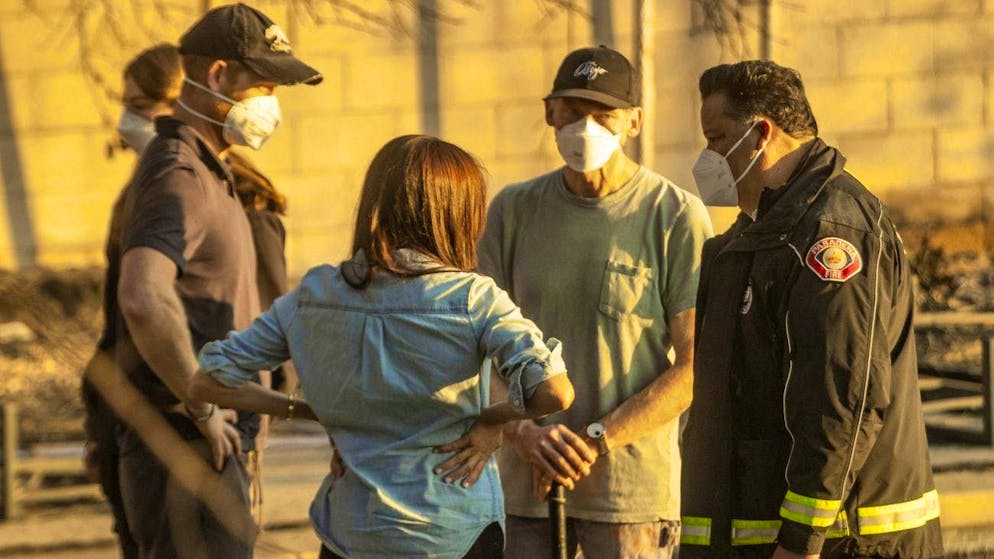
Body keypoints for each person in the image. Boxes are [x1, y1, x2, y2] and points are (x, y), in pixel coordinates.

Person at [188, 134, 576, 559]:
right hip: (451, 532)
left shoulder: (315, 292)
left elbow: (209, 381)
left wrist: (306, 410)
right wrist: (492, 420)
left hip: (350, 532)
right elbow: (554, 391)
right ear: (457, 214)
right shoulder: (473, 299)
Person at [680, 60, 943, 559]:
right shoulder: (751, 240)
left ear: (760, 133)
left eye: (715, 140)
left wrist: (801, 540)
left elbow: (841, 398)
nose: (707, 157)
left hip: (842, 543)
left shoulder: (833, 236)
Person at [477, 45, 713, 558]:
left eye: (603, 115)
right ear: (549, 112)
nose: (587, 128)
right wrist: (522, 433)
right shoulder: (512, 212)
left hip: (630, 495)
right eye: (573, 112)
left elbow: (695, 365)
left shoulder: (673, 216)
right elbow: (477, 350)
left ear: (634, 122)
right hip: (524, 489)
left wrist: (595, 439)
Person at [113, 4, 321, 557]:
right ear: (218, 76)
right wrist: (203, 405)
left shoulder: (210, 169)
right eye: (266, 87)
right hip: (186, 450)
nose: (272, 105)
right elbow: (142, 295)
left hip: (215, 446)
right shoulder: (180, 172)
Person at [80, 42, 181, 559]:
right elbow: (115, 321)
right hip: (128, 418)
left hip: (179, 425)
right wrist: (99, 423)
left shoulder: (220, 194)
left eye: (142, 107)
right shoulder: (135, 193)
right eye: (127, 105)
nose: (127, 121)